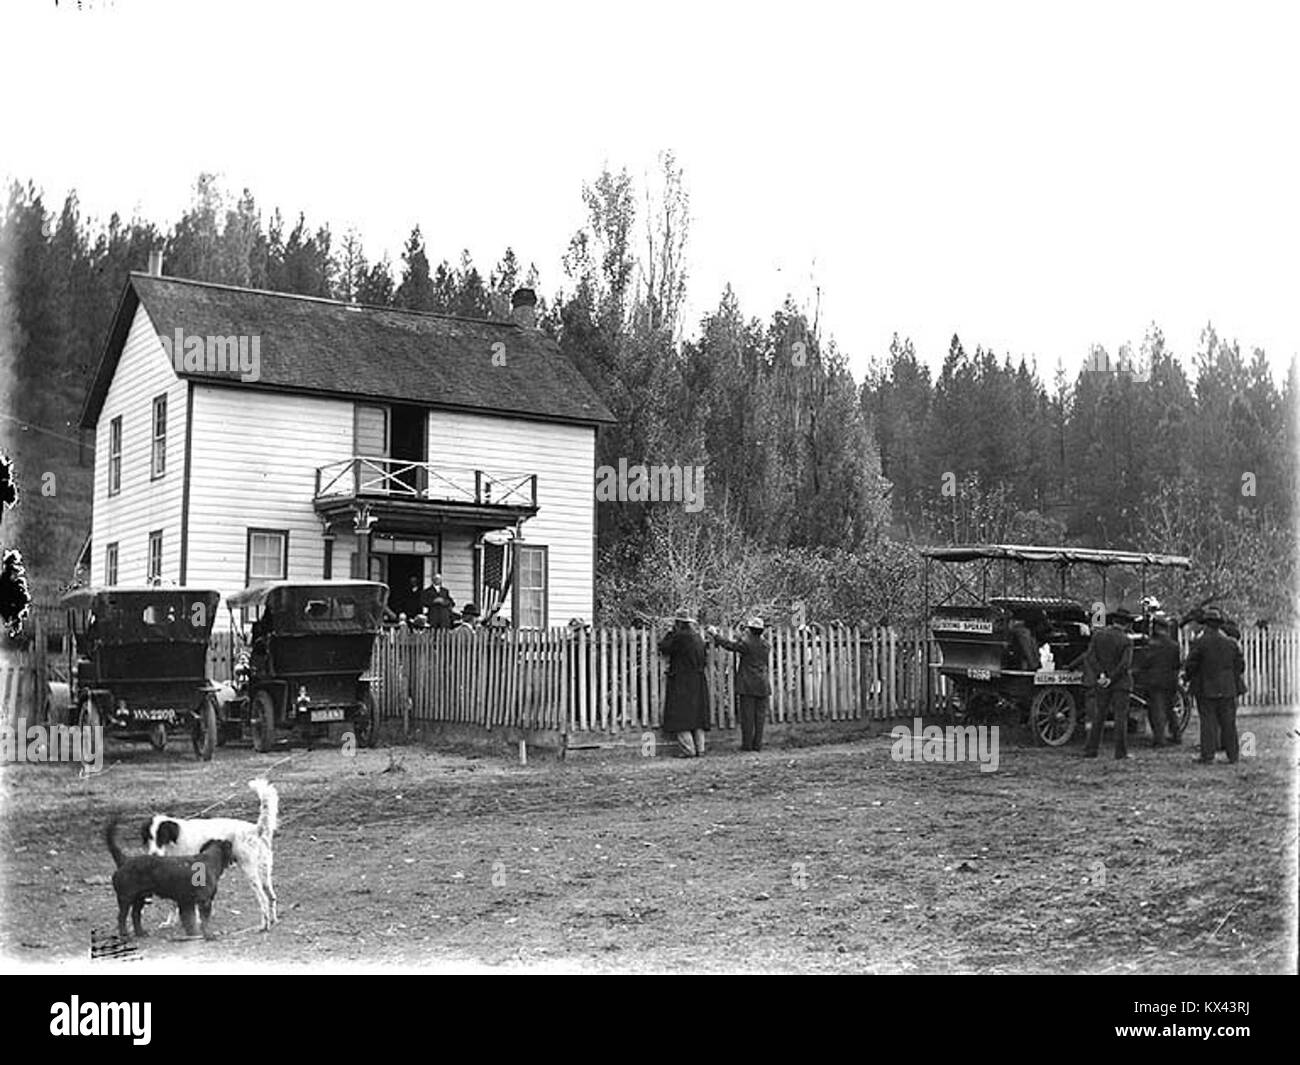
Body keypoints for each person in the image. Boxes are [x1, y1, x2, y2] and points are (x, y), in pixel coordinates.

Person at [1183, 606, 1245, 764]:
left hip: (1206, 688)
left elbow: (1191, 665)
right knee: (1229, 723)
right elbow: (1240, 666)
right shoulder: (1231, 643)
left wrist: (1187, 678)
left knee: (1208, 722)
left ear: (1206, 624)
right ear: (1219, 625)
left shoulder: (1200, 643)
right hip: (1228, 688)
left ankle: (1208, 756)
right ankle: (1233, 756)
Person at [708, 616, 772, 752]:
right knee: (760, 717)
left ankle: (747, 745)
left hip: (748, 684)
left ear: (750, 630)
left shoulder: (746, 644)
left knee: (747, 716)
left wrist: (715, 635)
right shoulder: (766, 645)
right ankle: (757, 745)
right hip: (763, 684)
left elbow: (730, 645)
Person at [1083, 608, 1135, 760]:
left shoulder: (1098, 636)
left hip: (1101, 681)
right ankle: (1120, 752)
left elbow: (1090, 657)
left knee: (1099, 716)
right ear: (1126, 624)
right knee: (1120, 717)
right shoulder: (1126, 640)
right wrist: (1112, 678)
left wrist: (1101, 675)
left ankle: (1091, 750)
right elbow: (1125, 664)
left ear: (1113, 621)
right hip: (1121, 683)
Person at [658, 610, 710, 757]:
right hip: (698, 680)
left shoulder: (679, 637)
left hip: (682, 680)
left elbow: (664, 647)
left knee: (681, 716)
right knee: (697, 717)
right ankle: (701, 749)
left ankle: (688, 750)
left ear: (678, 623)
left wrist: (669, 633)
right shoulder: (697, 637)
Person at [1142, 615, 1182, 747]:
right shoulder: (1174, 645)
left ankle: (1159, 739)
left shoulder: (1151, 645)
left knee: (1157, 710)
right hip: (1170, 680)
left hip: (1155, 681)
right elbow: (1177, 664)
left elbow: (1146, 662)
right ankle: (1176, 735)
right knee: (1170, 708)